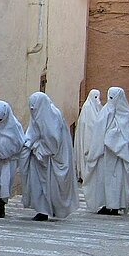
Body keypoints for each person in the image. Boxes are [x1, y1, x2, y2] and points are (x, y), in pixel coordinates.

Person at [20, 92, 79, 221]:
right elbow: (33, 132)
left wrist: (37, 147)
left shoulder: (52, 115)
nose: (33, 111)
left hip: (51, 159)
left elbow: (53, 141)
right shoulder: (38, 113)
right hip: (39, 159)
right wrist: (29, 143)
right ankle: (42, 210)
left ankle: (48, 210)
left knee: (49, 187)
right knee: (38, 186)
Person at [83, 86, 129, 215]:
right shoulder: (105, 111)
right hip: (105, 154)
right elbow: (98, 132)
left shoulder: (127, 115)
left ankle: (116, 204)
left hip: (120, 157)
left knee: (118, 181)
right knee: (105, 180)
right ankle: (107, 204)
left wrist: (113, 139)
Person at [74, 89, 103, 183]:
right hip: (87, 139)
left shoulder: (97, 108)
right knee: (85, 155)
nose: (97, 100)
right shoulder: (87, 108)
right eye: (95, 97)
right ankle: (84, 175)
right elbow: (88, 125)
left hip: (94, 140)